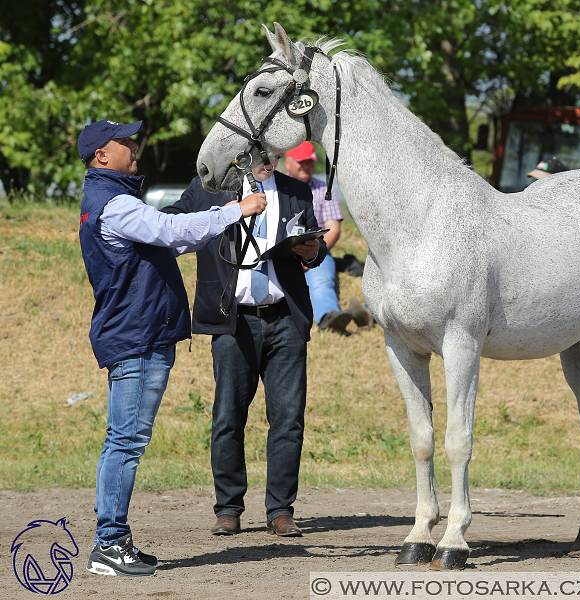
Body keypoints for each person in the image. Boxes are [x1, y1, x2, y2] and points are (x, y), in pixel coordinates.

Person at [78, 119, 267, 577]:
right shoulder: (116, 204)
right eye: (124, 142)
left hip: (135, 333)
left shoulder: (108, 201)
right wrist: (234, 212)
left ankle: (113, 540)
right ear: (102, 155)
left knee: (123, 441)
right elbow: (167, 230)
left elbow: (168, 242)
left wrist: (217, 215)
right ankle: (109, 543)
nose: (134, 146)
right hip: (138, 335)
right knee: (125, 441)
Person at [162, 159, 324, 539]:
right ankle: (229, 508)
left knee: (288, 420)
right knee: (228, 417)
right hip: (232, 320)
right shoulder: (209, 188)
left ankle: (280, 511)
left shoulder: (296, 190)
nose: (267, 158)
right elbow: (168, 225)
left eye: (273, 150)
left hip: (286, 317)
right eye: (259, 151)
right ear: (242, 152)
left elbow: (314, 251)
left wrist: (311, 251)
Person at [284, 141, 373, 330]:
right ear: (288, 163)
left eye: (310, 161)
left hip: (315, 250)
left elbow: (333, 229)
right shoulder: (276, 187)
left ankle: (329, 317)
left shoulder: (325, 190)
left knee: (321, 279)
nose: (306, 166)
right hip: (281, 251)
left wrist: (312, 253)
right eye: (302, 161)